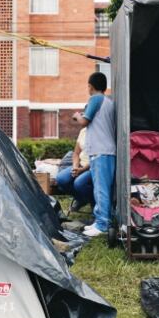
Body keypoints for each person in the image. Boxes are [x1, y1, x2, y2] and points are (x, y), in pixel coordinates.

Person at [72, 72, 115, 238]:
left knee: (101, 189)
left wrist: (77, 116)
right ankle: (100, 221)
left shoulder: (95, 99)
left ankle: (103, 224)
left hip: (101, 151)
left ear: (90, 86)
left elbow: (84, 121)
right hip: (105, 150)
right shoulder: (108, 100)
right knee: (101, 188)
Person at [55, 128, 94, 212]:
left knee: (79, 183)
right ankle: (81, 199)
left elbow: (97, 157)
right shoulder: (83, 131)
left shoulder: (99, 131)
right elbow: (76, 153)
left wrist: (82, 170)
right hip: (81, 165)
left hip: (93, 166)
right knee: (61, 179)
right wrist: (75, 167)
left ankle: (94, 203)